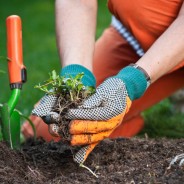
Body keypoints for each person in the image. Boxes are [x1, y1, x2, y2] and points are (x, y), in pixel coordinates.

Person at [22, 0, 184, 163]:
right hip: (134, 39)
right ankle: (131, 115)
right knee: (49, 133)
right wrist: (76, 77)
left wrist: (133, 80)